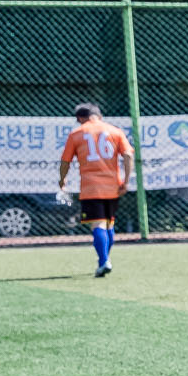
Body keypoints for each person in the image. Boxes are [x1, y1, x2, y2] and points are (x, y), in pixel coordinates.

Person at [56, 102, 134, 277]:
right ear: (99, 116)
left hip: (91, 187)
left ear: (81, 118)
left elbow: (65, 161)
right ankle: (105, 259)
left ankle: (104, 261)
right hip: (113, 186)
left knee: (98, 224)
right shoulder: (115, 131)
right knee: (109, 223)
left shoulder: (77, 134)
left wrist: (62, 180)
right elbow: (128, 155)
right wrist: (126, 181)